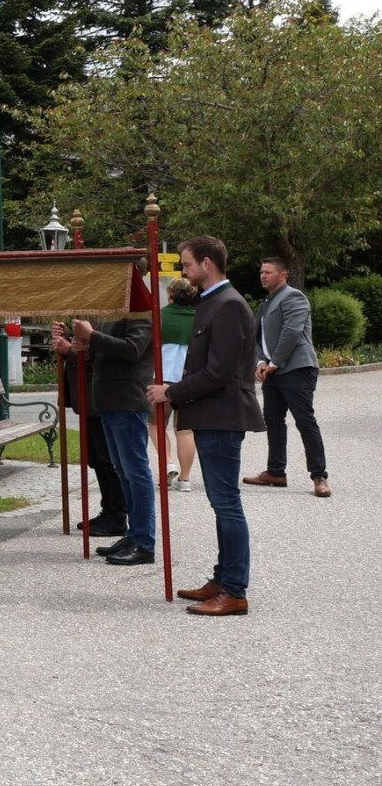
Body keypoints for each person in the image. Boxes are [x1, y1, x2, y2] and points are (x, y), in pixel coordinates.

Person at [148, 236, 265, 617]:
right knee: (221, 503)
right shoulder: (213, 302)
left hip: (222, 415)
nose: (183, 271)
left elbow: (219, 372)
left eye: (186, 264)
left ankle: (234, 590)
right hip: (212, 414)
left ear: (208, 262)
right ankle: (223, 578)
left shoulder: (228, 305)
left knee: (227, 503)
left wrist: (171, 392)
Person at [67, 313, 155, 566]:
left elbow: (132, 349)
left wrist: (92, 335)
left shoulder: (140, 311)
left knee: (135, 472)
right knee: (123, 470)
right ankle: (133, 535)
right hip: (108, 401)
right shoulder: (113, 312)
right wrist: (83, 347)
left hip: (127, 400)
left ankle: (144, 541)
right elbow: (102, 353)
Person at [247, 257, 328, 497]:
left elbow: (291, 332)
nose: (263, 276)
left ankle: (319, 476)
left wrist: (274, 363)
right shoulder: (266, 302)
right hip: (273, 371)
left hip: (297, 369)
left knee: (305, 421)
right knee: (272, 420)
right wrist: (261, 362)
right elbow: (258, 338)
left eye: (268, 272)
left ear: (283, 275)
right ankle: (276, 472)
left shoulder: (294, 297)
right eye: (261, 272)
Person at [159, 279, 199, 491]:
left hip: (163, 379)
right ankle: (185, 479)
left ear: (171, 294)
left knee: (156, 424)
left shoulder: (160, 316)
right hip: (189, 379)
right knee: (185, 430)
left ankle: (168, 464)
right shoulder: (199, 317)